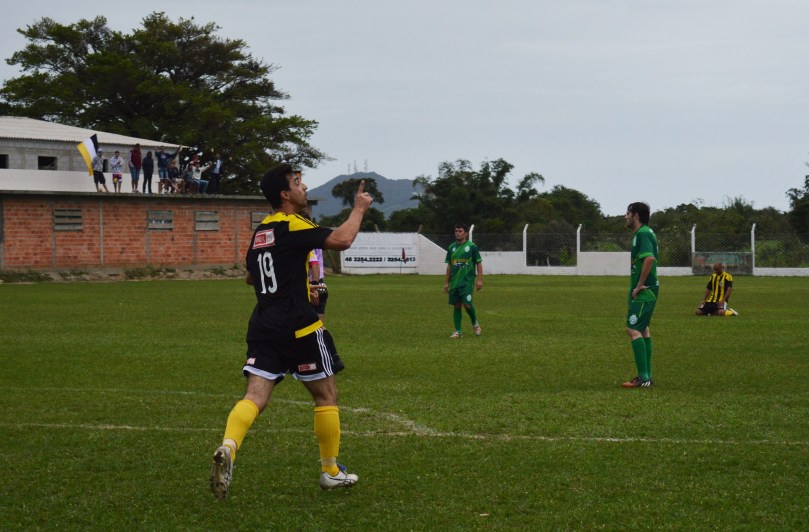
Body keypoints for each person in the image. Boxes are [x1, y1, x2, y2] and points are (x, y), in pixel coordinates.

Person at [209, 163, 373, 500]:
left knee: (255, 396)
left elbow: (251, 278)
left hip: (263, 325)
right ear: (285, 194)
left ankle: (229, 446)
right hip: (299, 326)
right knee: (326, 395)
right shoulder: (295, 224)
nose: (303, 186)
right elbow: (341, 240)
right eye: (297, 182)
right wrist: (359, 209)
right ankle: (330, 471)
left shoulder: (260, 232)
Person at [622, 202, 659, 388]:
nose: (625, 216)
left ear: (636, 215)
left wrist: (640, 284)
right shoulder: (644, 233)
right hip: (647, 289)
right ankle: (646, 376)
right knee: (643, 329)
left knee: (632, 329)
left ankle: (644, 378)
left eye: (627, 213)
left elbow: (649, 258)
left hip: (645, 289)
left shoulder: (643, 233)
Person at [444, 223, 483, 338]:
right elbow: (449, 266)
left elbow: (478, 262)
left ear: (466, 233)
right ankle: (458, 331)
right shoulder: (451, 247)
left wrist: (480, 280)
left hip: (467, 282)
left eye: (460, 231)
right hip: (454, 282)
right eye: (456, 231)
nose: (457, 233)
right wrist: (446, 282)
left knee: (467, 305)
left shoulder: (472, 247)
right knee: (456, 305)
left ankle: (475, 323)